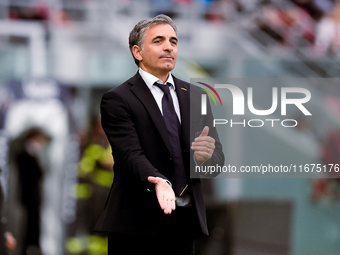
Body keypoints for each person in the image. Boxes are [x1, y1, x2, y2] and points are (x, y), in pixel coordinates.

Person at [94, 14, 224, 255]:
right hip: (135, 225)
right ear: (138, 52)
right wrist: (158, 180)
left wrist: (205, 158)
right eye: (159, 41)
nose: (169, 47)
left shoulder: (197, 96)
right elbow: (129, 154)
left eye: (173, 42)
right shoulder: (118, 99)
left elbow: (215, 161)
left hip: (184, 225)